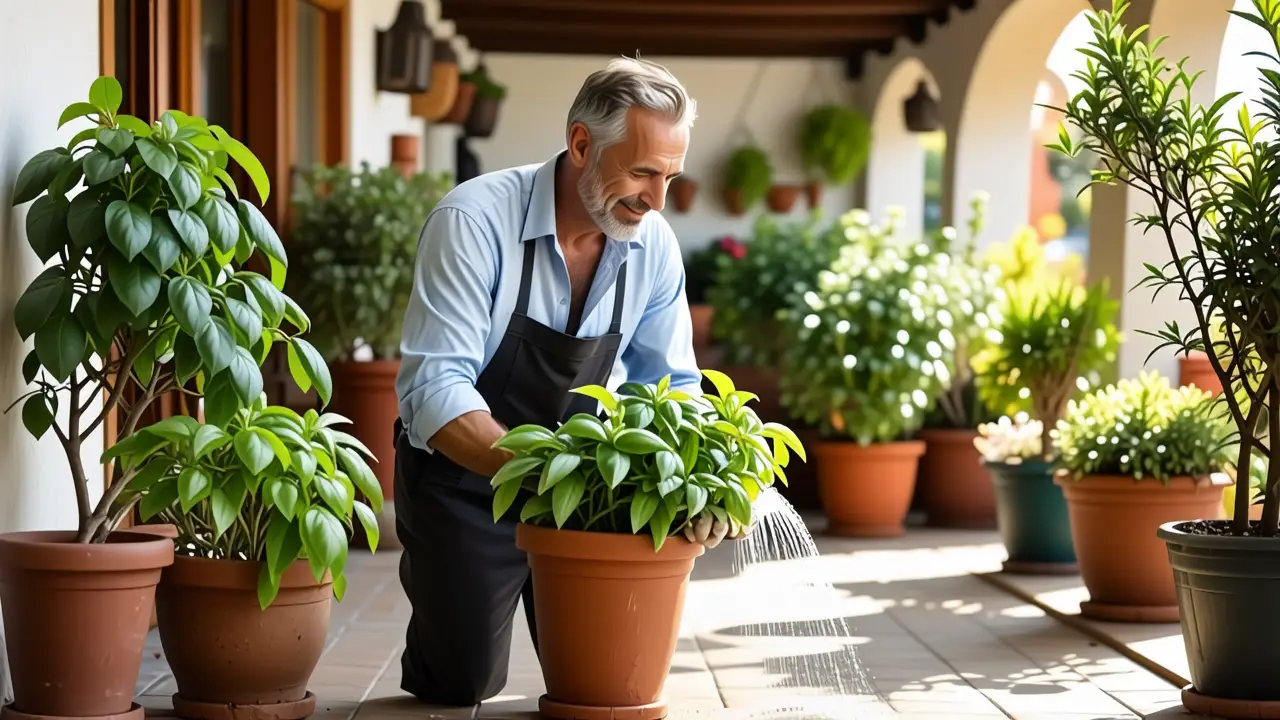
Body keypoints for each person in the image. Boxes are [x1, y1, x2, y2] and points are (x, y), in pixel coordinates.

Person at [392, 57, 746, 707]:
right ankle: (441, 595)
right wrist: (551, 476)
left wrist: (705, 479)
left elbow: (669, 384)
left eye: (669, 176)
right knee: (460, 680)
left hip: (585, 485)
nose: (656, 199)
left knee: (615, 678)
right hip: (463, 480)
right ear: (582, 143)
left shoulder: (653, 245)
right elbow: (436, 387)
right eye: (641, 171)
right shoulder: (473, 220)